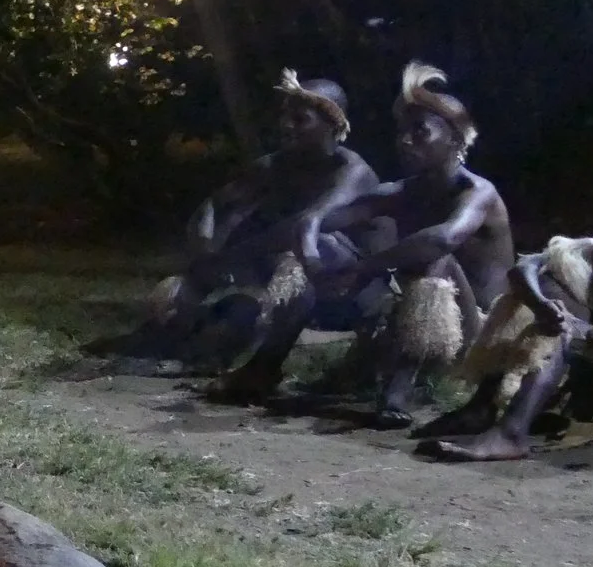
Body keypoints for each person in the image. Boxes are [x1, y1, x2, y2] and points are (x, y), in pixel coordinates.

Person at [214, 62, 514, 426]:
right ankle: (264, 367)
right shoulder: (399, 192)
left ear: (455, 139)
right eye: (402, 132)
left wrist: (362, 268)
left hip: (477, 335)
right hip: (416, 325)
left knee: (434, 260)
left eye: (420, 132)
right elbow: (314, 221)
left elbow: (441, 239)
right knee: (328, 245)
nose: (405, 141)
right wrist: (311, 258)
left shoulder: (478, 192)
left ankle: (398, 394)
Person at [93, 72, 380, 372]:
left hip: (348, 292)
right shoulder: (276, 165)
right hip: (283, 274)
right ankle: (169, 334)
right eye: (285, 117)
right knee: (216, 262)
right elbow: (213, 206)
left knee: (314, 247)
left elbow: (302, 226)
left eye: (300, 119)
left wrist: (230, 258)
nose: (285, 125)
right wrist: (205, 252)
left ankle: (244, 357)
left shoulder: (353, 172)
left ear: (333, 125)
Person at [415, 168, 593, 462]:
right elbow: (526, 267)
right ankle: (482, 407)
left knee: (559, 323)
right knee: (541, 296)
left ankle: (511, 434)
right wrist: (541, 304)